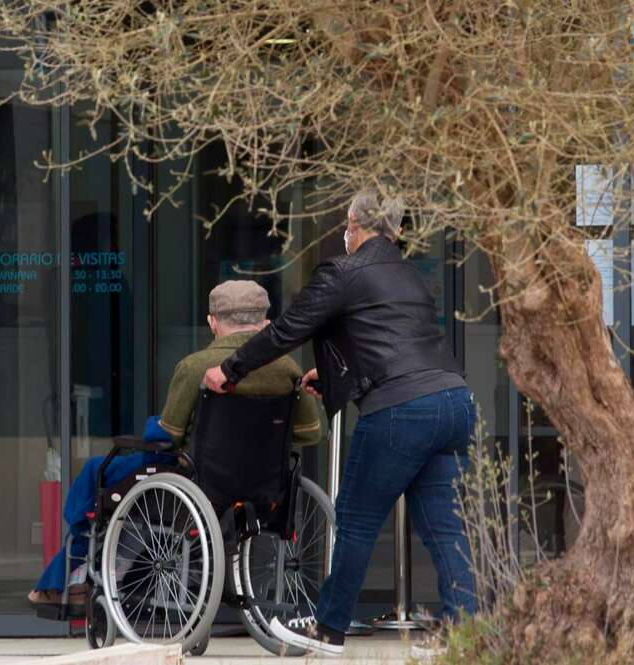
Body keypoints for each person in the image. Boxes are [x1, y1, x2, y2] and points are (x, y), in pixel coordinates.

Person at [204, 190, 476, 658]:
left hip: (400, 410)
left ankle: (327, 628)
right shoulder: (410, 275)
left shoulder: (344, 271)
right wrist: (328, 383)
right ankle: (469, 633)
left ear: (354, 224)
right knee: (446, 530)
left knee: (354, 521)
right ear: (397, 230)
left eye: (346, 226)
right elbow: (386, 341)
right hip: (452, 401)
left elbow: (287, 329)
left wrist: (229, 370)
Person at [29, 280, 321, 606]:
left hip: (199, 486)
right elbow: (310, 432)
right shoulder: (288, 369)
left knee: (99, 473)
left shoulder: (196, 366)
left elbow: (166, 437)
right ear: (266, 323)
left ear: (212, 322)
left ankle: (71, 574)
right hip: (266, 487)